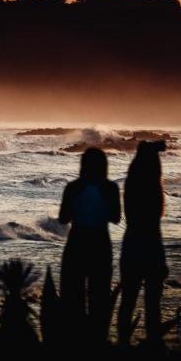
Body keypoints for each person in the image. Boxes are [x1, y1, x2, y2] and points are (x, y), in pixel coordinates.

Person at [59, 147, 121, 343]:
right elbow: (116, 218)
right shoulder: (110, 188)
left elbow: (63, 219)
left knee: (74, 296)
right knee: (99, 296)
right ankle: (97, 340)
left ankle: (76, 341)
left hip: (77, 241)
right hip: (100, 242)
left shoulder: (72, 187)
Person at [117, 141, 168, 346]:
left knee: (128, 299)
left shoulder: (131, 186)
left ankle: (122, 342)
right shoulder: (155, 191)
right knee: (153, 303)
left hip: (131, 244)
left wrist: (149, 149)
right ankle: (154, 343)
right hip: (152, 245)